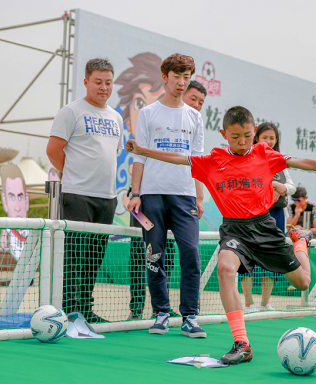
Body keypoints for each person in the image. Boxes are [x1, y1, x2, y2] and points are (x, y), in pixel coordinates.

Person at [125, 105, 316, 364]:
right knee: (225, 269)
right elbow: (177, 158)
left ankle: (301, 242)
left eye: (248, 136)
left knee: (302, 282)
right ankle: (242, 343)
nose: (242, 142)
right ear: (224, 133)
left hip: (263, 227)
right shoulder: (213, 160)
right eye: (235, 137)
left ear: (255, 132)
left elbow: (304, 163)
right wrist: (141, 151)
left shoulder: (265, 153)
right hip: (234, 229)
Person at [127, 53, 206, 337]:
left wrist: (199, 197)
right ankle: (161, 312)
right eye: (177, 77)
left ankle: (190, 316)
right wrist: (136, 193)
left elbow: (197, 161)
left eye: (186, 77)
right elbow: (139, 158)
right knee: (154, 255)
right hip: (152, 195)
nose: (182, 83)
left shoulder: (195, 116)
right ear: (165, 77)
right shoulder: (148, 113)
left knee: (191, 254)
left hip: (184, 195)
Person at [47, 58, 123, 323]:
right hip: (77, 194)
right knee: (75, 255)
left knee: (94, 257)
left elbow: (112, 153)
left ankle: (86, 309)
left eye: (108, 83)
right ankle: (70, 309)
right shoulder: (71, 111)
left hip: (107, 197)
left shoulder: (116, 117)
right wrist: (75, 175)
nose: (103, 87)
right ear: (86, 82)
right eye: (98, 82)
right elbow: (53, 151)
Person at [114, 53, 176, 320]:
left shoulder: (180, 125)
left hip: (171, 199)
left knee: (167, 252)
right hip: (142, 200)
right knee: (140, 253)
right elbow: (137, 159)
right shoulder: (143, 123)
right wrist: (136, 192)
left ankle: (160, 307)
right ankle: (135, 308)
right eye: (140, 102)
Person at [241, 123, 296, 312]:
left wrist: (283, 188)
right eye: (266, 137)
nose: (270, 141)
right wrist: (271, 184)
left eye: (273, 138)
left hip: (276, 214)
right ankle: (249, 303)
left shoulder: (281, 160)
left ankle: (265, 303)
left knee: (271, 257)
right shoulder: (248, 158)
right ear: (256, 138)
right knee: (247, 256)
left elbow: (291, 186)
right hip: (252, 214)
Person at [0, 164, 30, 262]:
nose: (17, 207)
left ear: (26, 200)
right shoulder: (8, 225)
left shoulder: (31, 226)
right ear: (5, 201)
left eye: (20, 197)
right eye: (11, 198)